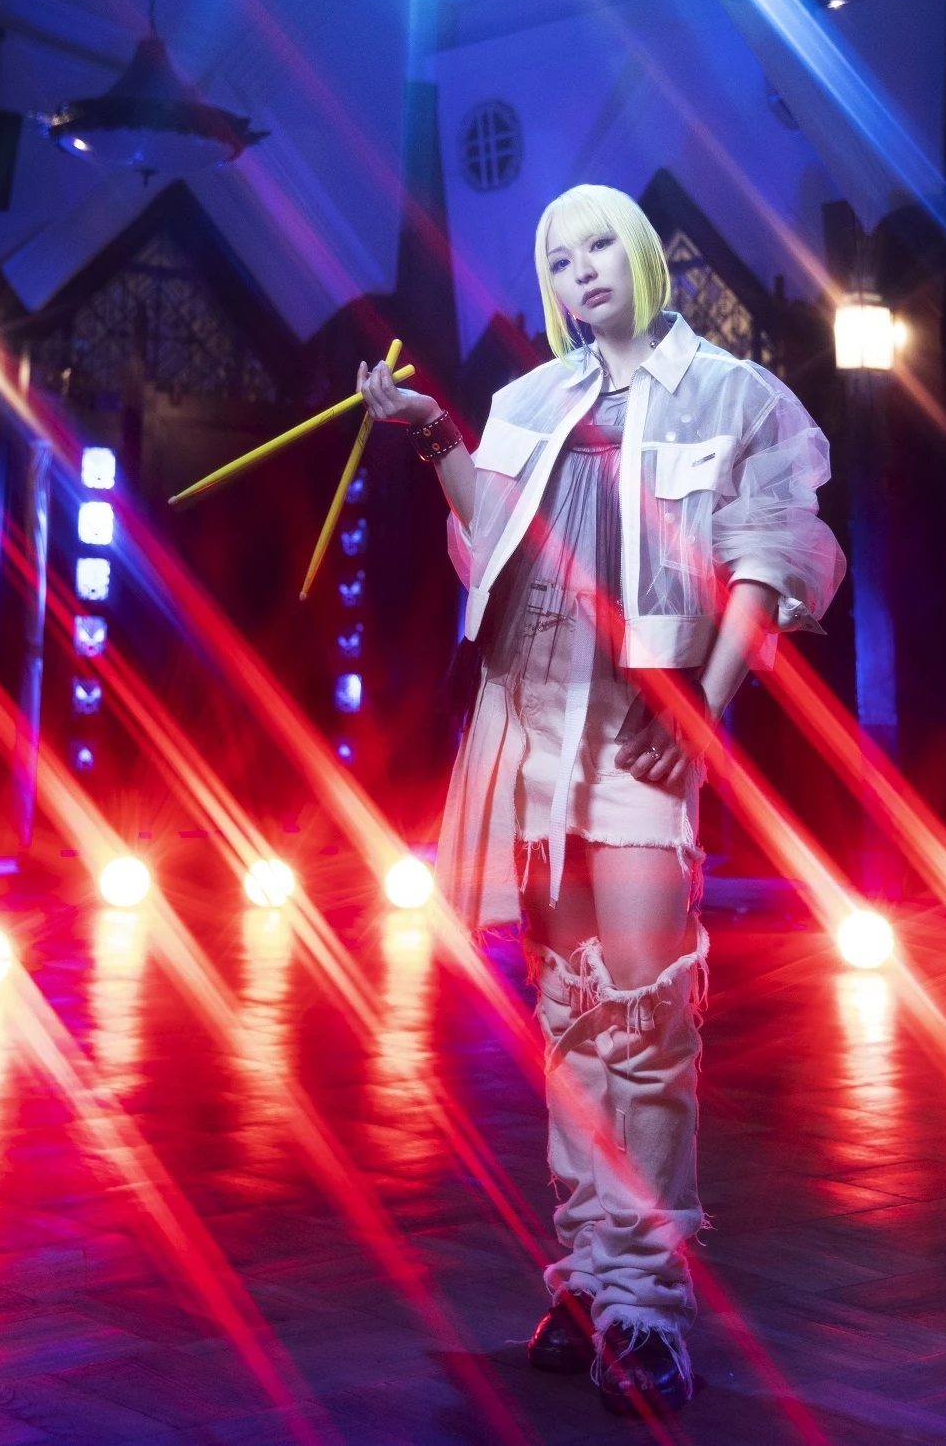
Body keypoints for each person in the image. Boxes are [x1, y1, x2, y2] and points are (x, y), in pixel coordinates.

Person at [357, 184, 844, 1417]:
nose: (580, 270)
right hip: (531, 724)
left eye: (597, 246)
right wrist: (434, 434)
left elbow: (769, 556)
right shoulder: (529, 400)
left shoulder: (734, 393)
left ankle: (647, 1299)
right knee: (572, 1015)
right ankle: (589, 1278)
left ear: (639, 254)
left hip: (643, 730)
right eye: (557, 256)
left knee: (647, 1016)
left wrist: (705, 706)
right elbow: (494, 538)